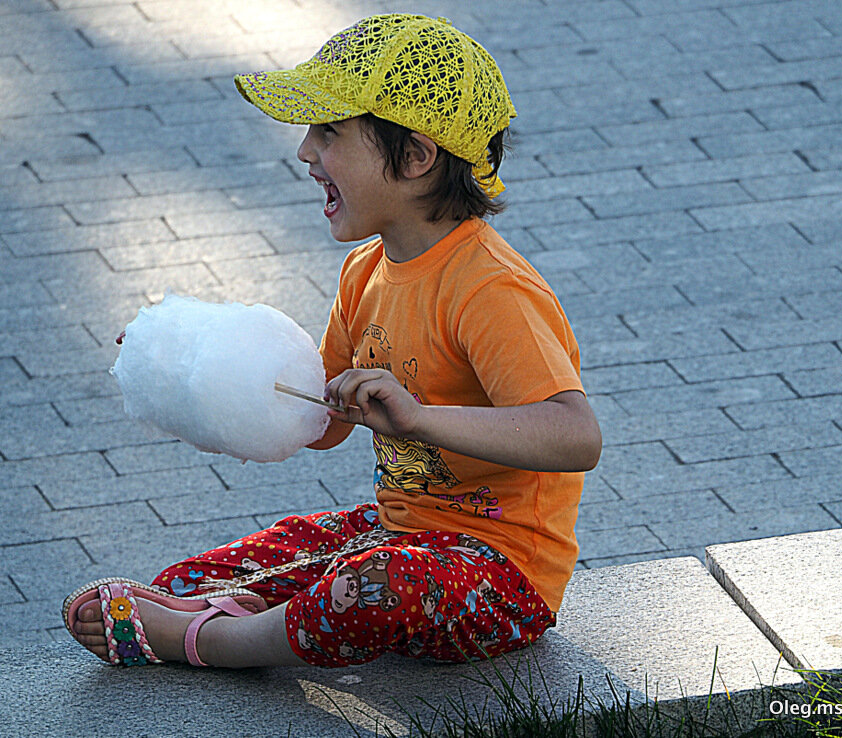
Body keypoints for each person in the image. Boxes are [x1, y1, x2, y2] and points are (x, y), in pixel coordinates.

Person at [64, 13, 602, 670]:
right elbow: (322, 421)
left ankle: (214, 643)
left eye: (329, 132)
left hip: (499, 576)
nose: (305, 152)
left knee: (369, 587)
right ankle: (215, 610)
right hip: (396, 533)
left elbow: (576, 437)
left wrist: (418, 417)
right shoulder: (365, 272)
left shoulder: (491, 289)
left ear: (415, 156)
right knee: (200, 575)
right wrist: (184, 370)